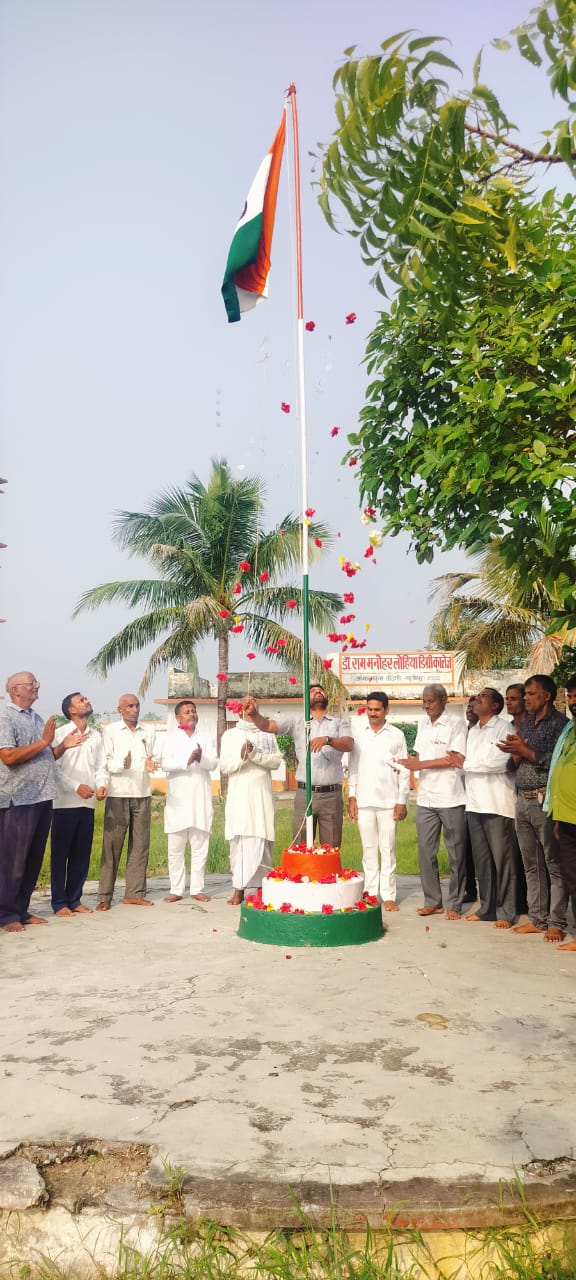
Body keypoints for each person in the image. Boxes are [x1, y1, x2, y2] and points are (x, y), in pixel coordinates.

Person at [0, 672, 86, 932]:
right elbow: (8, 756)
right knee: (13, 862)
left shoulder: (37, 718)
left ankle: (21, 910)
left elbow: (46, 756)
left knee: (32, 860)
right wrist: (45, 742)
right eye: (31, 683)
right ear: (15, 690)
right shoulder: (6, 716)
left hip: (42, 797)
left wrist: (61, 748)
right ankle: (6, 915)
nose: (37, 686)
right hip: (19, 799)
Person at [498, 674, 567, 943]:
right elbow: (514, 764)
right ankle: (537, 919)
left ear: (546, 696)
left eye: (530, 693)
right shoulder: (526, 725)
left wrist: (526, 752)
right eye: (524, 694)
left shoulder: (560, 725)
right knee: (531, 864)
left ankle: (556, 922)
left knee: (554, 864)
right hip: (522, 800)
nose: (526, 698)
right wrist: (514, 754)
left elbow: (556, 763)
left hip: (544, 802)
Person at [243, 685, 353, 846]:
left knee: (331, 847)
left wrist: (328, 740)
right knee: (301, 844)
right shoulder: (297, 721)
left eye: (321, 690)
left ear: (326, 696)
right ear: (306, 699)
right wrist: (254, 714)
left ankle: (327, 873)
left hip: (330, 795)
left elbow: (349, 744)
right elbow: (267, 726)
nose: (317, 692)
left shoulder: (339, 723)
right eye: (313, 691)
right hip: (305, 793)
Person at [448, 687, 517, 928]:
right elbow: (461, 765)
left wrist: (466, 764)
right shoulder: (473, 731)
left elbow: (499, 763)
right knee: (482, 862)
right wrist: (463, 764)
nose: (477, 700)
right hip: (474, 803)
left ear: (495, 705)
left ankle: (507, 912)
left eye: (483, 697)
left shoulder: (504, 728)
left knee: (503, 861)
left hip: (497, 803)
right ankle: (487, 908)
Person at [397, 684, 467, 920]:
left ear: (444, 700)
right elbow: (419, 757)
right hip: (426, 797)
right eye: (424, 701)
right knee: (426, 852)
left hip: (450, 796)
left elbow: (455, 759)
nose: (426, 705)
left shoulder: (456, 723)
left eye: (431, 701)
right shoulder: (423, 724)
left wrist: (421, 765)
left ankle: (455, 904)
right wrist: (411, 764)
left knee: (456, 853)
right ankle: (433, 901)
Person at [96, 694, 158, 911]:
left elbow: (154, 757)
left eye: (137, 705)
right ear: (120, 709)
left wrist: (152, 764)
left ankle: (134, 893)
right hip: (117, 794)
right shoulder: (110, 730)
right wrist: (123, 764)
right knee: (112, 846)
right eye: (130, 706)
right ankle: (105, 895)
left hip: (142, 793)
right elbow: (105, 761)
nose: (134, 709)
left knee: (140, 846)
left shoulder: (148, 731)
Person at [348, 692, 409, 911]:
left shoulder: (396, 735)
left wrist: (402, 800)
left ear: (386, 711)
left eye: (377, 709)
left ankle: (389, 895)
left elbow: (404, 770)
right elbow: (353, 767)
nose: (373, 713)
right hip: (364, 800)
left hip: (388, 802)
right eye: (370, 709)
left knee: (388, 848)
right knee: (369, 849)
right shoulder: (358, 734)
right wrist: (351, 796)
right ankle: (371, 893)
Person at [220, 699, 282, 906]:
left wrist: (254, 753)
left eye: (253, 705)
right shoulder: (230, 735)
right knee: (239, 840)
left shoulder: (266, 733)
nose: (249, 709)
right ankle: (238, 889)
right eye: (246, 706)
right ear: (239, 711)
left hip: (261, 794)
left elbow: (275, 762)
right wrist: (242, 757)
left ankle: (262, 888)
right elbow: (225, 766)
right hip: (239, 795)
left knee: (262, 838)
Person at [51, 692, 108, 917]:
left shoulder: (96, 735)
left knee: (81, 855)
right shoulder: (59, 734)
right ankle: (59, 903)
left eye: (86, 698)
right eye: (81, 700)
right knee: (60, 855)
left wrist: (102, 785)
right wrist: (76, 787)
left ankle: (75, 899)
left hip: (89, 803)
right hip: (64, 803)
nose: (87, 700)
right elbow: (54, 769)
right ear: (71, 710)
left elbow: (100, 766)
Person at [160, 700, 217, 903]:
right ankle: (176, 889)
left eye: (193, 711)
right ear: (178, 718)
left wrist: (201, 758)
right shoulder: (171, 738)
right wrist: (187, 761)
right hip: (178, 803)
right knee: (175, 849)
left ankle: (197, 889)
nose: (192, 714)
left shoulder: (205, 736)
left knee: (200, 848)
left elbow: (213, 763)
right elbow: (164, 763)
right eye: (187, 711)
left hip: (200, 802)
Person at [544, 675, 576, 952]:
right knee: (572, 877)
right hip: (565, 817)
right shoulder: (570, 731)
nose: (573, 702)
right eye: (570, 696)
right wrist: (555, 816)